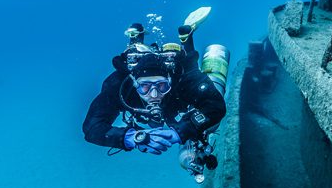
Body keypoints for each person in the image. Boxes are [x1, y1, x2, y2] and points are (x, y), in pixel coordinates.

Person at [82, 9, 226, 158]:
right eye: (145, 87)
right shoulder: (120, 86)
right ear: (134, 83)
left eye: (162, 85)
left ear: (170, 80)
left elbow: (215, 106)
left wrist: (181, 131)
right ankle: (136, 40)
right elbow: (91, 127)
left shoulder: (181, 80)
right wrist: (129, 137)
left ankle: (187, 38)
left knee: (190, 65)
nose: (154, 94)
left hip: (176, 96)